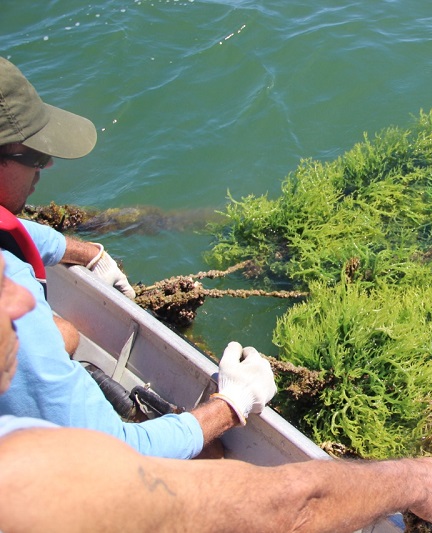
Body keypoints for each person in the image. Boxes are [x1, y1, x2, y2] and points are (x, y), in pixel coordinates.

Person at [0, 253, 432, 532]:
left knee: (61, 335)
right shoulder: (21, 476)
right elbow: (289, 511)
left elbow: (23, 238)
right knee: (212, 456)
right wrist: (417, 480)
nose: (22, 300)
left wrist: (88, 251)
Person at [0, 57, 277, 459]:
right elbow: (119, 452)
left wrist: (87, 252)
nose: (48, 165)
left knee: (67, 335)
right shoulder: (10, 302)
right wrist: (231, 405)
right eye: (34, 156)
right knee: (216, 464)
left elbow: (10, 227)